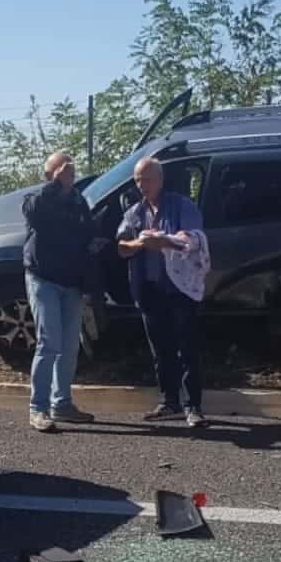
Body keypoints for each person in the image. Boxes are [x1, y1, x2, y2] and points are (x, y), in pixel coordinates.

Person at [116, 157, 210, 428]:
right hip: (150, 290)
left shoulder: (182, 205)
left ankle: (193, 406)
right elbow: (122, 246)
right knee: (161, 350)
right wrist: (141, 242)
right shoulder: (134, 212)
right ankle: (169, 402)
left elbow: (193, 238)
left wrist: (165, 241)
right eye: (137, 180)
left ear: (160, 179)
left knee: (187, 349)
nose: (141, 185)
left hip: (180, 289)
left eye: (146, 179)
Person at [22, 151, 104, 432]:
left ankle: (62, 403)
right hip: (43, 279)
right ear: (49, 175)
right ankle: (38, 408)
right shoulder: (39, 198)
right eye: (61, 169)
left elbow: (88, 231)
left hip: (71, 282)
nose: (69, 172)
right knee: (49, 342)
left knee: (69, 346)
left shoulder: (79, 202)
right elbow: (34, 213)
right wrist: (57, 184)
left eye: (71, 168)